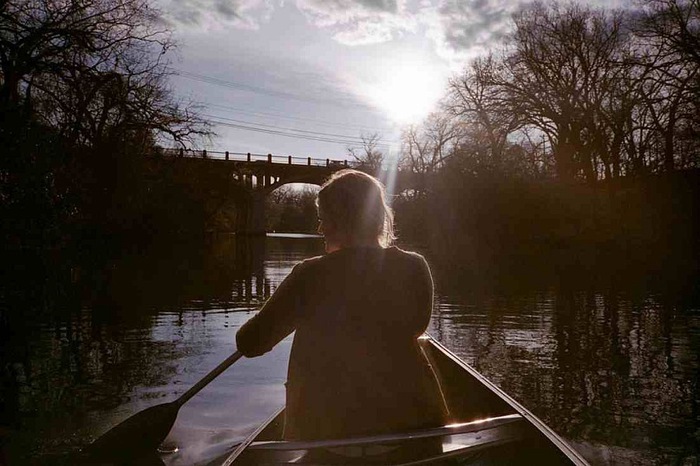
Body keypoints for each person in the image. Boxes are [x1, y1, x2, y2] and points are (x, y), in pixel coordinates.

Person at [235, 169, 447, 445]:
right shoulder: (415, 266)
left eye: (324, 219)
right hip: (415, 424)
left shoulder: (309, 274)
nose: (321, 229)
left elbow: (251, 342)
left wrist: (292, 311)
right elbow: (417, 326)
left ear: (340, 220)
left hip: (327, 434)